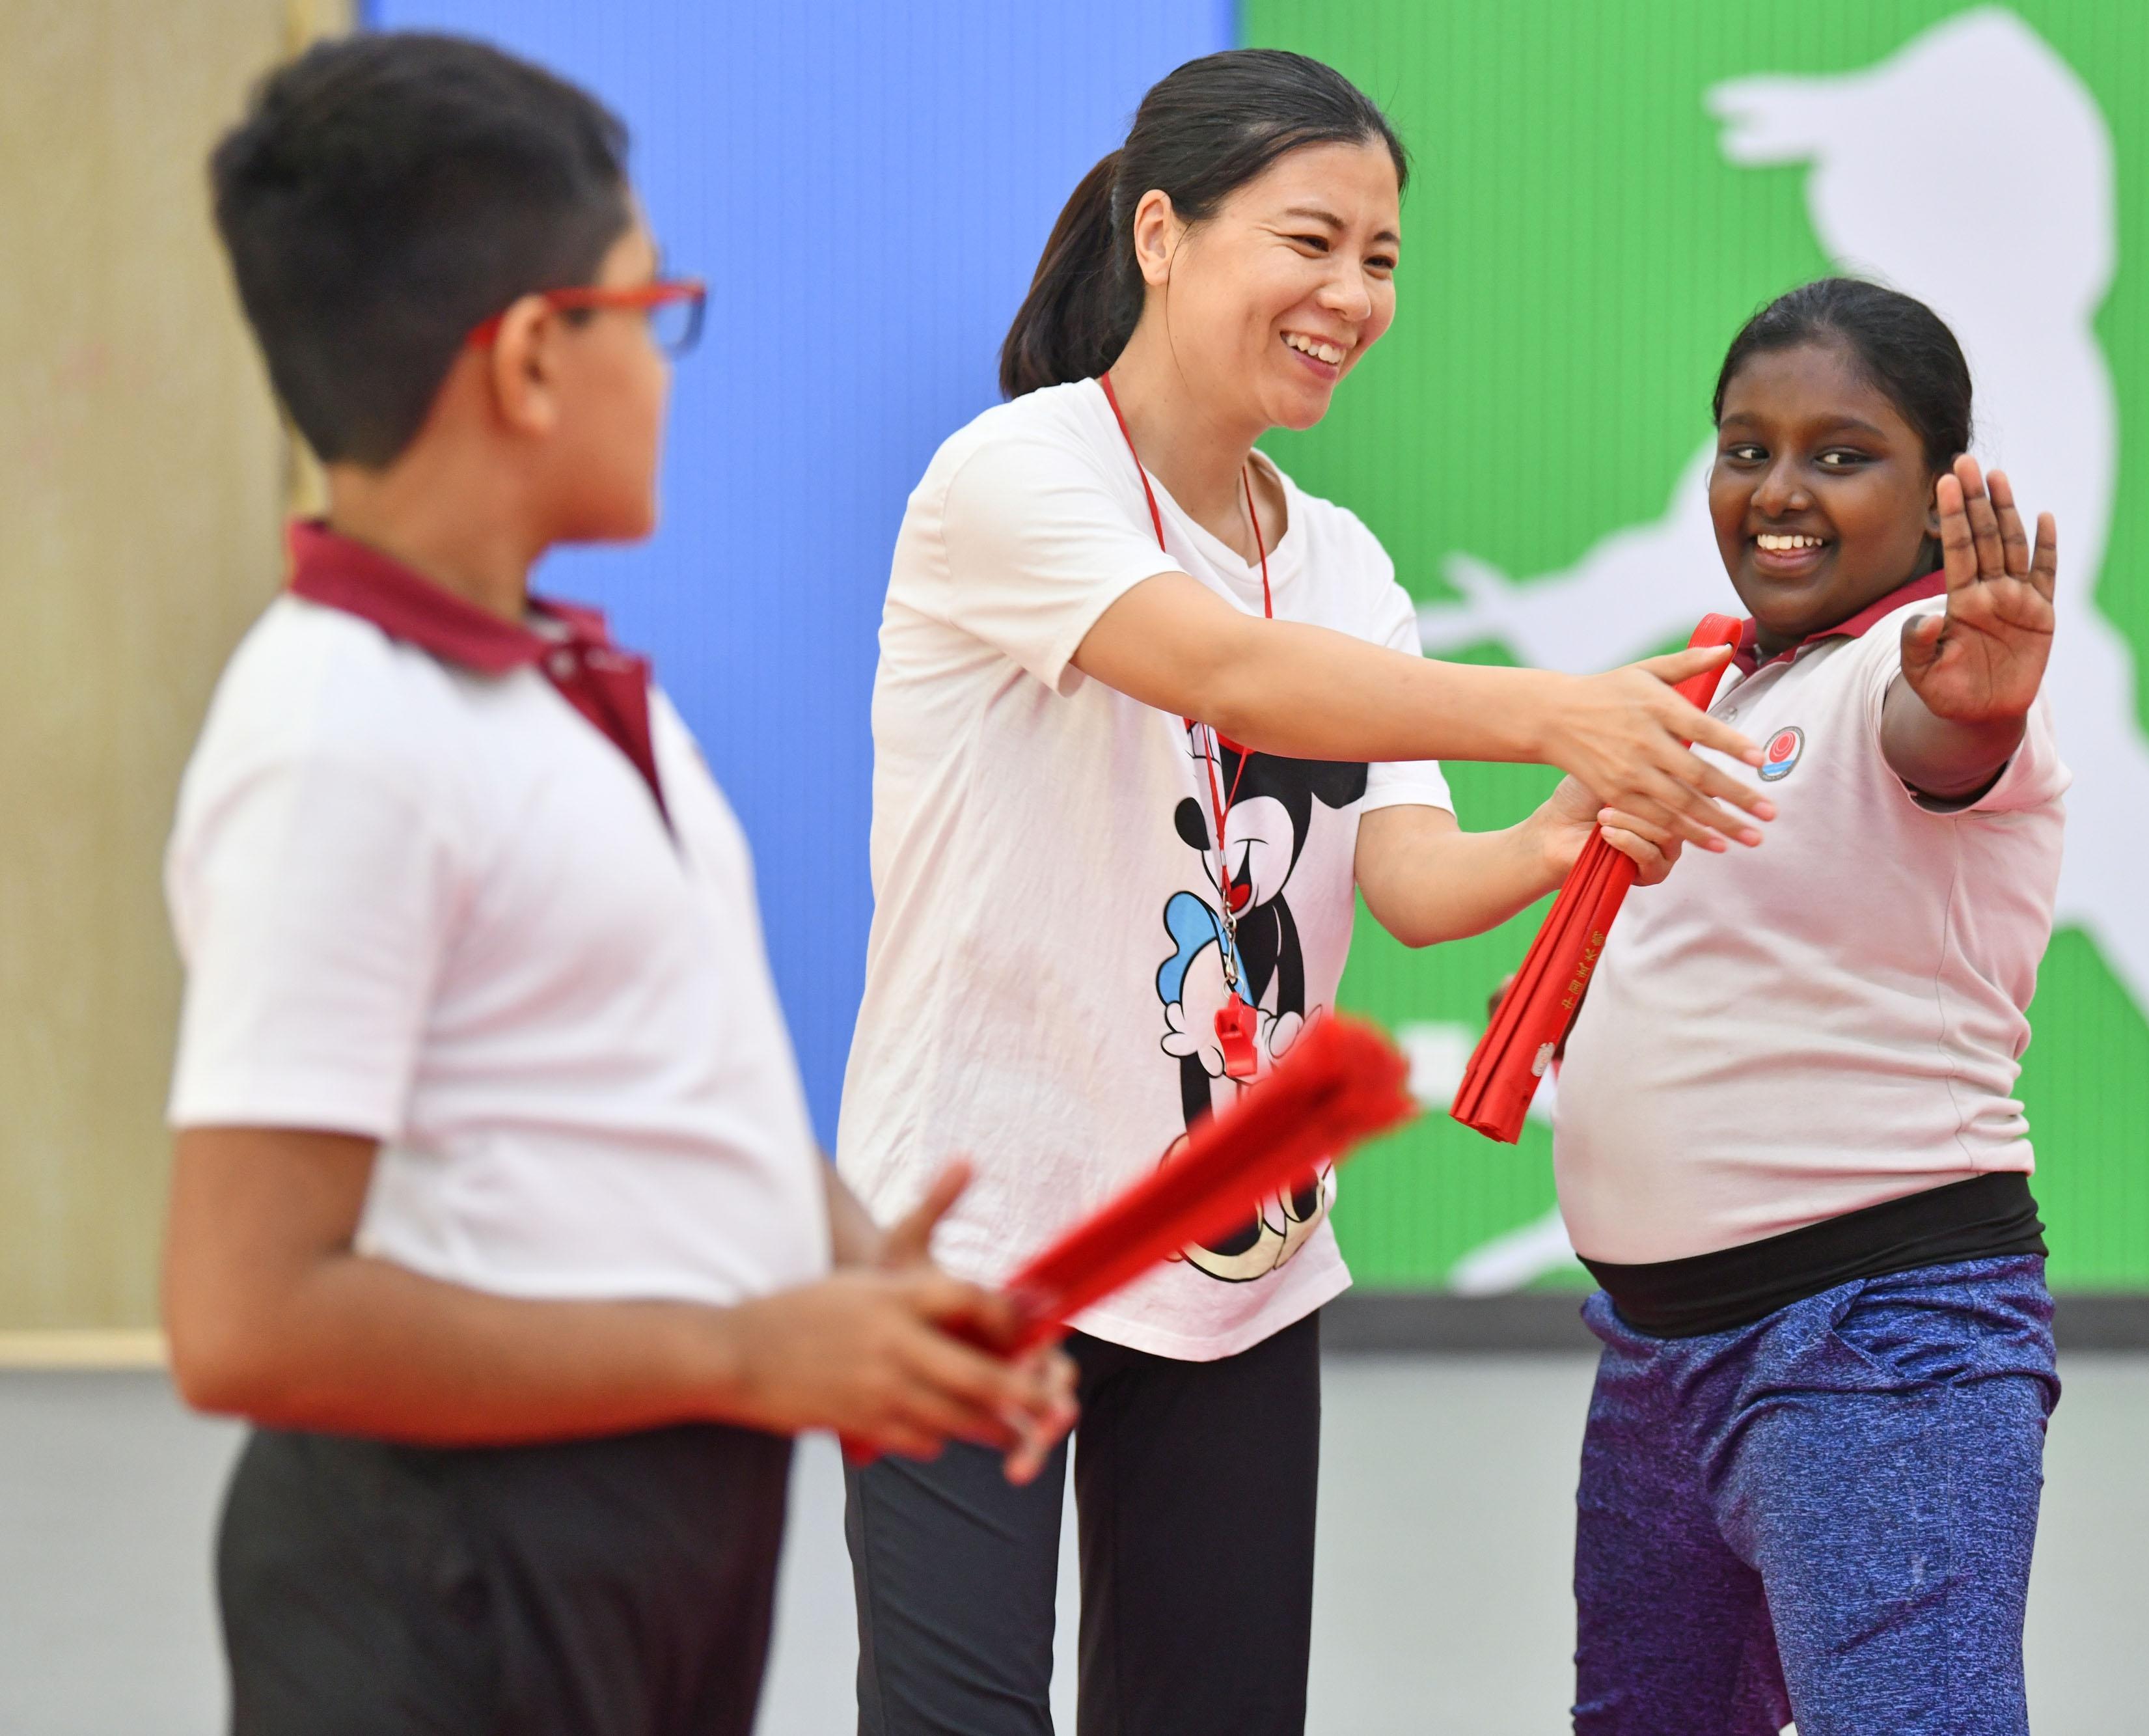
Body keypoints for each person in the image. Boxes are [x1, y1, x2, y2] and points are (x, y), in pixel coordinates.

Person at [834, 47, 1775, 1736]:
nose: (1352, 293)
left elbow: (1407, 880)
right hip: (974, 1239)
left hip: (1232, 1249)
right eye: (1312, 240)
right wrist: (1554, 704)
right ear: (1162, 234)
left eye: (1383, 258)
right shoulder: (1015, 478)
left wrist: (1566, 823)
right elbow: (1226, 671)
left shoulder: (1340, 558)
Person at [163, 35, 1071, 1736]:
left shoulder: (564, 692)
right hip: (454, 1569)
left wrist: (870, 1273)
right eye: (650, 311)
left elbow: (665, 1085)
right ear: (526, 359)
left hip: (638, 1529)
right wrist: (745, 1351)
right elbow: (246, 1316)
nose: (667, 362)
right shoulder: (337, 732)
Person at [1552, 277, 2068, 1735]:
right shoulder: (1728, 689)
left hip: (1868, 1345)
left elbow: (1945, 737)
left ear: (1936, 496)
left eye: (1839, 455)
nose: (1778, 489)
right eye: (1743, 446)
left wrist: (1980, 696)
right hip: (1656, 1354)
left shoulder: (1911, 681)